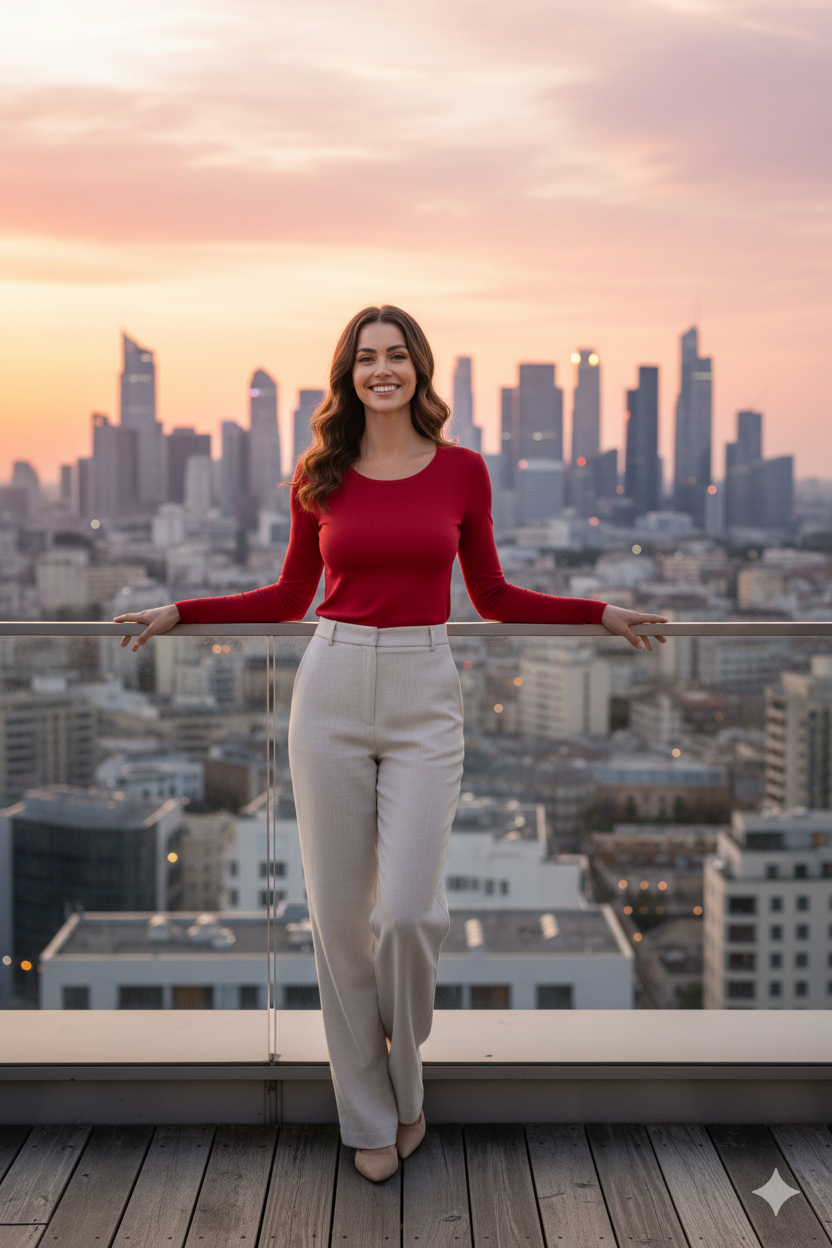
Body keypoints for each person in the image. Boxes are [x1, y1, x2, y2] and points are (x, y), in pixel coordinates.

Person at [115, 305, 666, 1182]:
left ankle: (406, 1084)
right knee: (337, 926)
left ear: (419, 369)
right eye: (367, 358)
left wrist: (599, 611)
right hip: (329, 690)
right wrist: (182, 610)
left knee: (408, 916)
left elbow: (492, 595)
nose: (382, 370)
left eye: (396, 356)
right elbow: (289, 596)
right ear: (349, 373)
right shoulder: (320, 473)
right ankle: (369, 1114)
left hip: (424, 693)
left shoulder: (463, 472)